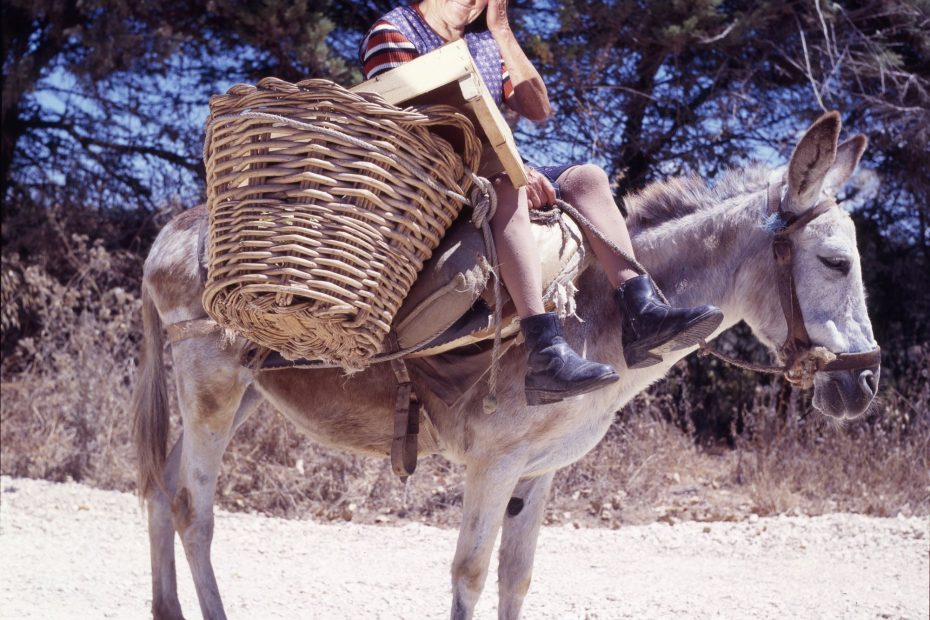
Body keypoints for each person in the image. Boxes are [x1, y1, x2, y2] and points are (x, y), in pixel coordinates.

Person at [359, 0, 723, 405]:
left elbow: (538, 108)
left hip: (497, 168)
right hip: (432, 183)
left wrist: (502, 32)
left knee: (587, 178)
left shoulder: (483, 45)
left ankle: (642, 313)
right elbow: (416, 130)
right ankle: (545, 353)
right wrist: (513, 169)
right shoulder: (395, 31)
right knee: (509, 187)